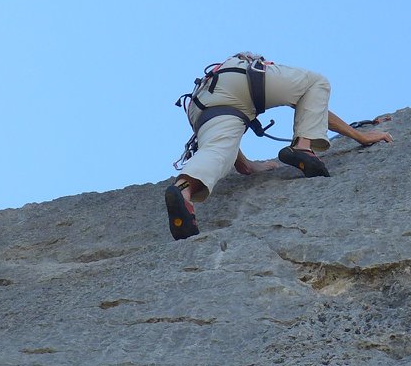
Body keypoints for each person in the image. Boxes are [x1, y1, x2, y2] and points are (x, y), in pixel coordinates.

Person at [166, 53, 391, 239]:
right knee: (315, 83)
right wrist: (360, 136)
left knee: (215, 151)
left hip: (200, 106)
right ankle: (302, 147)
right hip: (241, 77)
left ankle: (184, 190)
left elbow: (235, 157)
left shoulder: (220, 90)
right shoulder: (250, 67)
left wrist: (251, 166)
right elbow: (312, 104)